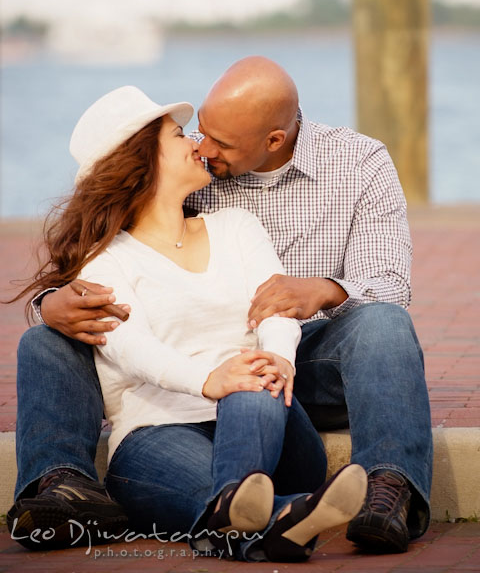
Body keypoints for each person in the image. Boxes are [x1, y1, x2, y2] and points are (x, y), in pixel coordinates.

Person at [9, 56, 433, 555]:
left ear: (274, 140)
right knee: (43, 339)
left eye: (218, 142)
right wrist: (48, 305)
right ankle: (260, 514)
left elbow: (388, 284)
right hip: (186, 393)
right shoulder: (186, 193)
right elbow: (107, 283)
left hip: (303, 364)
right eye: (194, 132)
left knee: (379, 324)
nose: (202, 147)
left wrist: (320, 291)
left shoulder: (355, 164)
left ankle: (388, 491)